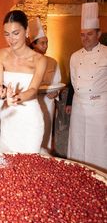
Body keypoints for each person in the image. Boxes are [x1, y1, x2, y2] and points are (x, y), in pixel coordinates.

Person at [0, 10, 47, 154]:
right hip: (9, 118)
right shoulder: (1, 54)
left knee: (29, 166)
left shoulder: (39, 59)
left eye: (16, 33)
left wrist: (15, 98)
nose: (11, 39)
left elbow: (33, 90)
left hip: (30, 119)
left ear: (27, 31)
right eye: (7, 34)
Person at [67, 2, 107, 172]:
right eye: (82, 35)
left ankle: (100, 176)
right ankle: (77, 175)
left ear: (98, 34)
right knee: (77, 143)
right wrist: (70, 102)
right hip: (78, 107)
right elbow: (73, 81)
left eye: (89, 34)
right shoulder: (74, 57)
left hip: (99, 107)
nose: (85, 38)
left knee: (97, 144)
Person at [29, 17, 61, 153]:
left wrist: (56, 92)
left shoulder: (53, 61)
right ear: (34, 44)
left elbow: (58, 82)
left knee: (46, 134)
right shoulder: (26, 61)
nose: (46, 46)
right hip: (32, 102)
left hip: (48, 102)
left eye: (46, 43)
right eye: (42, 43)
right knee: (32, 134)